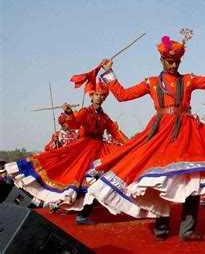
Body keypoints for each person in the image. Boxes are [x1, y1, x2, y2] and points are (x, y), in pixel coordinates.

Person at [86, 34, 205, 241]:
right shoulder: (150, 83)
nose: (174, 65)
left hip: (188, 132)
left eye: (177, 61)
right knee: (159, 178)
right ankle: (161, 227)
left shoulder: (188, 80)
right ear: (161, 60)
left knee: (193, 176)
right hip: (160, 132)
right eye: (170, 61)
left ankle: (187, 230)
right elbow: (123, 95)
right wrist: (108, 72)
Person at [6, 80, 126, 225]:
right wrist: (69, 113)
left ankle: (83, 213)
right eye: (97, 95)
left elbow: (115, 131)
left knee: (105, 176)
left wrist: (130, 144)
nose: (100, 98)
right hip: (85, 149)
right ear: (92, 96)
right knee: (82, 179)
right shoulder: (85, 112)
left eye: (102, 96)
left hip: (101, 148)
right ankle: (77, 212)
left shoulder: (105, 117)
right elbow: (74, 123)